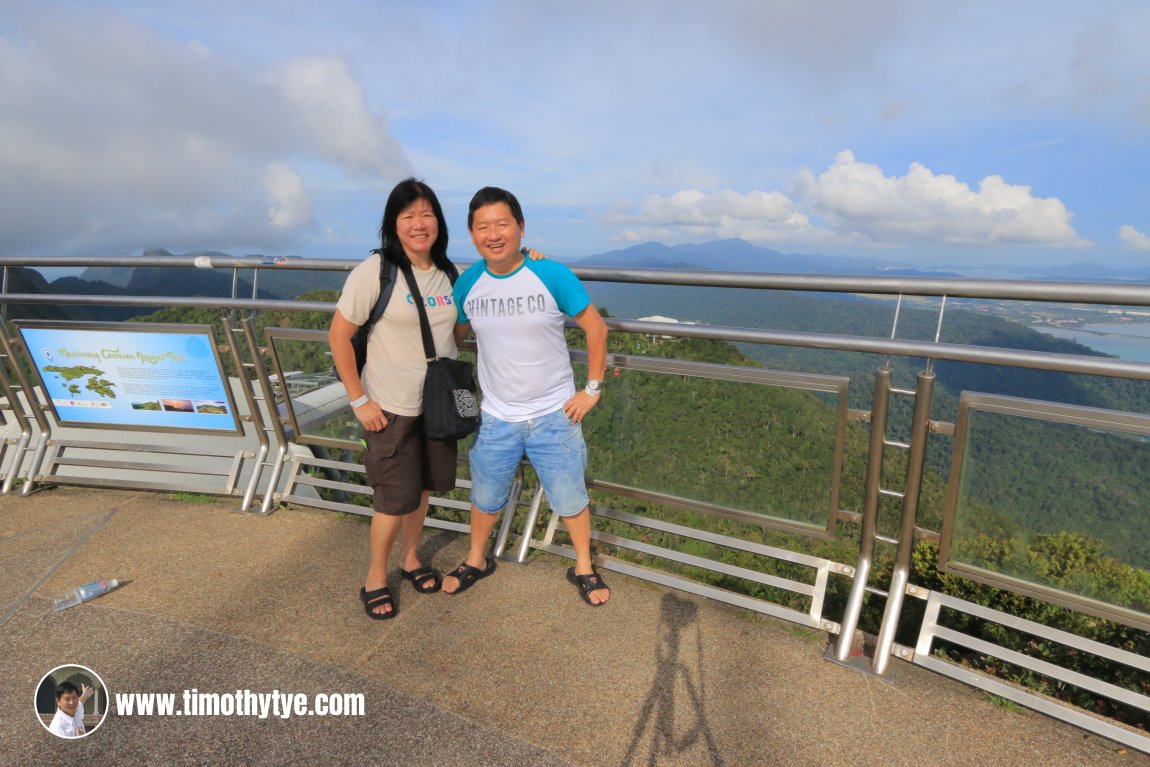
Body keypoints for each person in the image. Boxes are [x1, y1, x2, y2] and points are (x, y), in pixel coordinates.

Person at [444, 186, 611, 606]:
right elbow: (454, 337)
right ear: (471, 233)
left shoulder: (550, 274)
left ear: (520, 227)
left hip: (555, 414)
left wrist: (591, 390)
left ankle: (584, 567)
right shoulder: (468, 283)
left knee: (571, 499)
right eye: (484, 226)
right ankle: (476, 559)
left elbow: (597, 329)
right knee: (484, 497)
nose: (494, 234)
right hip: (496, 415)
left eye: (503, 224)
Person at [328, 178, 460, 619]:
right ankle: (375, 576)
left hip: (436, 406)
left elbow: (454, 332)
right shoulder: (377, 271)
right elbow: (339, 336)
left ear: (438, 220)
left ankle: (410, 559)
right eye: (408, 216)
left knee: (421, 488)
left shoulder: (450, 273)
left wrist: (529, 258)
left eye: (427, 214)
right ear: (393, 225)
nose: (419, 224)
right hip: (390, 406)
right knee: (393, 497)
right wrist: (358, 400)